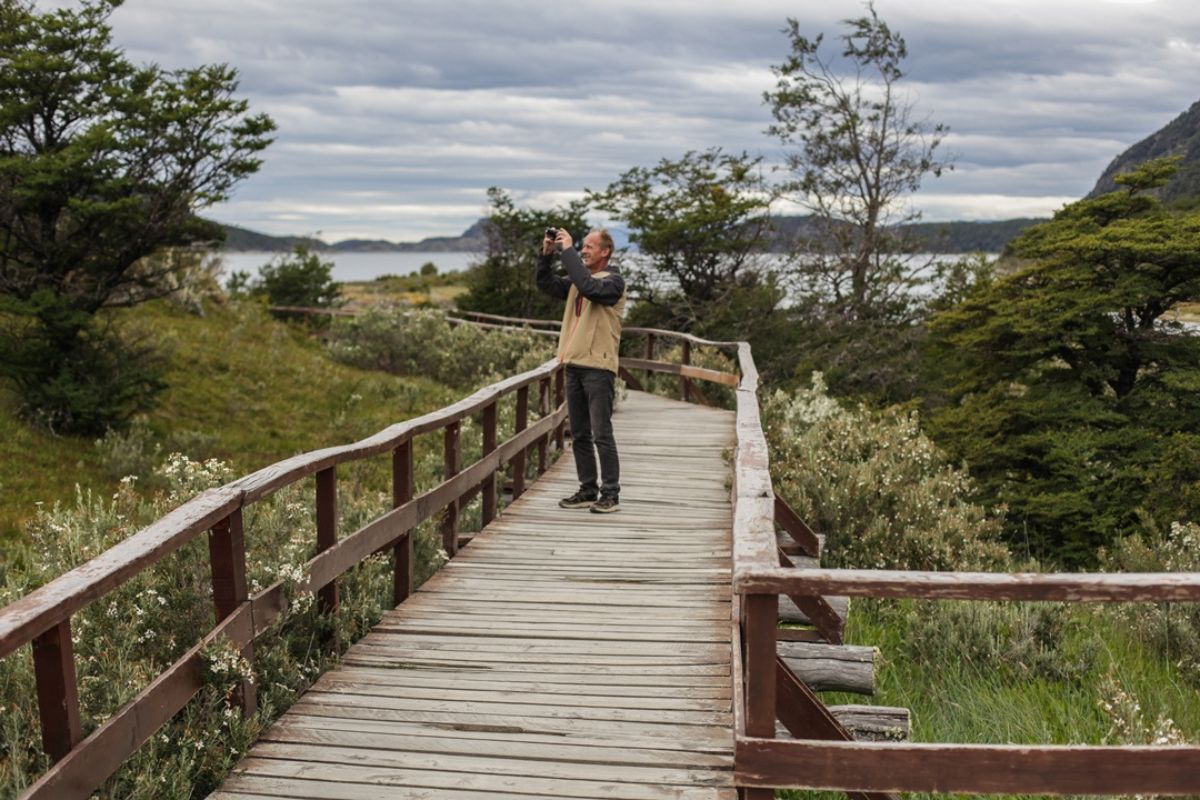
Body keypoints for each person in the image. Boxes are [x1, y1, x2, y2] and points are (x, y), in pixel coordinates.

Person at [536, 227, 626, 513]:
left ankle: (610, 493)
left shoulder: (613, 282)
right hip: (573, 364)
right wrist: (547, 255)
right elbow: (545, 284)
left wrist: (569, 251)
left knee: (601, 432)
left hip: (598, 368)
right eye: (582, 247)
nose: (584, 250)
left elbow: (590, 288)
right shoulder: (578, 281)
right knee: (580, 434)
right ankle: (588, 489)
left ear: (605, 252)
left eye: (589, 246)